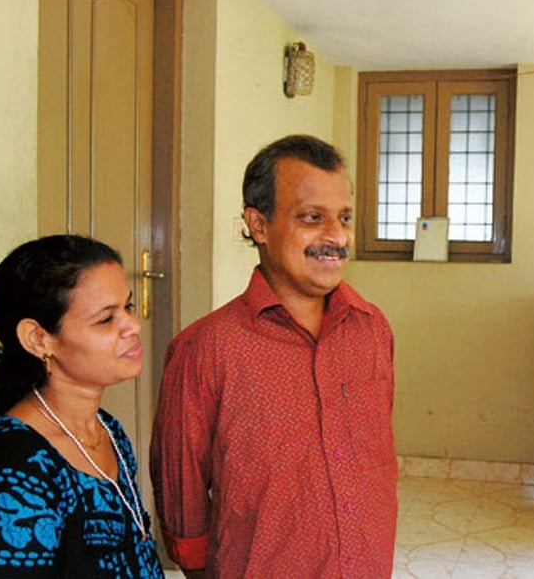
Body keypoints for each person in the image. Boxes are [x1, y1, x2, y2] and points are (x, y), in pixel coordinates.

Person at [150, 134, 397, 578]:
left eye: (343, 217)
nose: (337, 236)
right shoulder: (205, 349)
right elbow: (180, 488)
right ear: (258, 225)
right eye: (312, 218)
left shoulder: (372, 328)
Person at [0, 235, 164, 577]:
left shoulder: (108, 431)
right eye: (105, 319)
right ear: (39, 339)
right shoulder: (13, 473)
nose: (133, 326)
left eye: (128, 307)